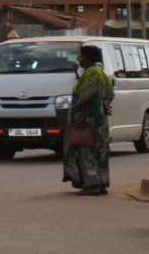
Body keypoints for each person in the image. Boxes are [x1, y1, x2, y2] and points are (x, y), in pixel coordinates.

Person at [63, 45, 114, 196]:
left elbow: (85, 97)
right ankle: (101, 183)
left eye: (81, 57)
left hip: (88, 121)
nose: (79, 60)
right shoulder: (101, 72)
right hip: (99, 121)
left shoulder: (91, 73)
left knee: (87, 152)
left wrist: (81, 117)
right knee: (100, 152)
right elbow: (110, 94)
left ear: (89, 59)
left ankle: (92, 185)